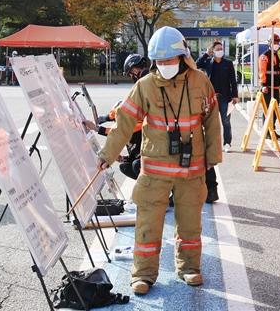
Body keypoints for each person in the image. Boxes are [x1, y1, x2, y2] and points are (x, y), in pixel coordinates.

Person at [97, 26, 222, 295]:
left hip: (191, 169)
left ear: (182, 57)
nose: (165, 65)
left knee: (190, 223)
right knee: (147, 224)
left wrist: (213, 156)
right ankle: (143, 274)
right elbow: (124, 122)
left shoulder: (201, 82)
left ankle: (189, 268)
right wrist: (107, 155)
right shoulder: (145, 86)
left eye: (170, 60)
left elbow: (212, 120)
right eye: (160, 61)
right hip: (154, 170)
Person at [85, 54, 149, 180]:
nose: (132, 77)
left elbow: (122, 127)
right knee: (127, 166)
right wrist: (105, 118)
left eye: (131, 73)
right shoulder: (143, 86)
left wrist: (98, 128)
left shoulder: (145, 86)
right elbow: (122, 112)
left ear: (136, 68)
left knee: (137, 165)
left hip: (159, 149)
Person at [196, 40, 239, 203]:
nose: (220, 51)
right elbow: (196, 64)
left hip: (224, 98)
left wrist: (235, 95)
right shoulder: (208, 62)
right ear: (213, 51)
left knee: (225, 121)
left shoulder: (228, 63)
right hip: (209, 98)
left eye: (222, 49)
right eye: (217, 49)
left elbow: (233, 80)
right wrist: (207, 54)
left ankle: (227, 143)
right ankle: (210, 146)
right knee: (210, 125)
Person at [259, 33, 280, 138]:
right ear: (269, 43)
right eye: (274, 42)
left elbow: (274, 71)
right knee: (268, 110)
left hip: (275, 86)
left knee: (275, 111)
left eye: (277, 42)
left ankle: (272, 130)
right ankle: (266, 132)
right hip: (268, 87)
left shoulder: (275, 55)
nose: (276, 44)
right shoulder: (264, 56)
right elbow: (262, 72)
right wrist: (263, 85)